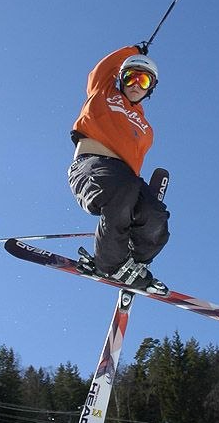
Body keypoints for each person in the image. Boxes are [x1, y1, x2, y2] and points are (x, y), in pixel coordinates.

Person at [68, 43, 170, 293]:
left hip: (126, 177)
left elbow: (133, 166)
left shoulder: (147, 129)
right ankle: (110, 263)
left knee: (156, 215)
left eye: (143, 81)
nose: (135, 85)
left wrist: (141, 205)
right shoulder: (103, 92)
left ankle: (133, 261)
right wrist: (134, 50)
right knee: (122, 189)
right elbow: (103, 67)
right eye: (130, 77)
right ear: (120, 78)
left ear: (151, 89)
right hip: (92, 166)